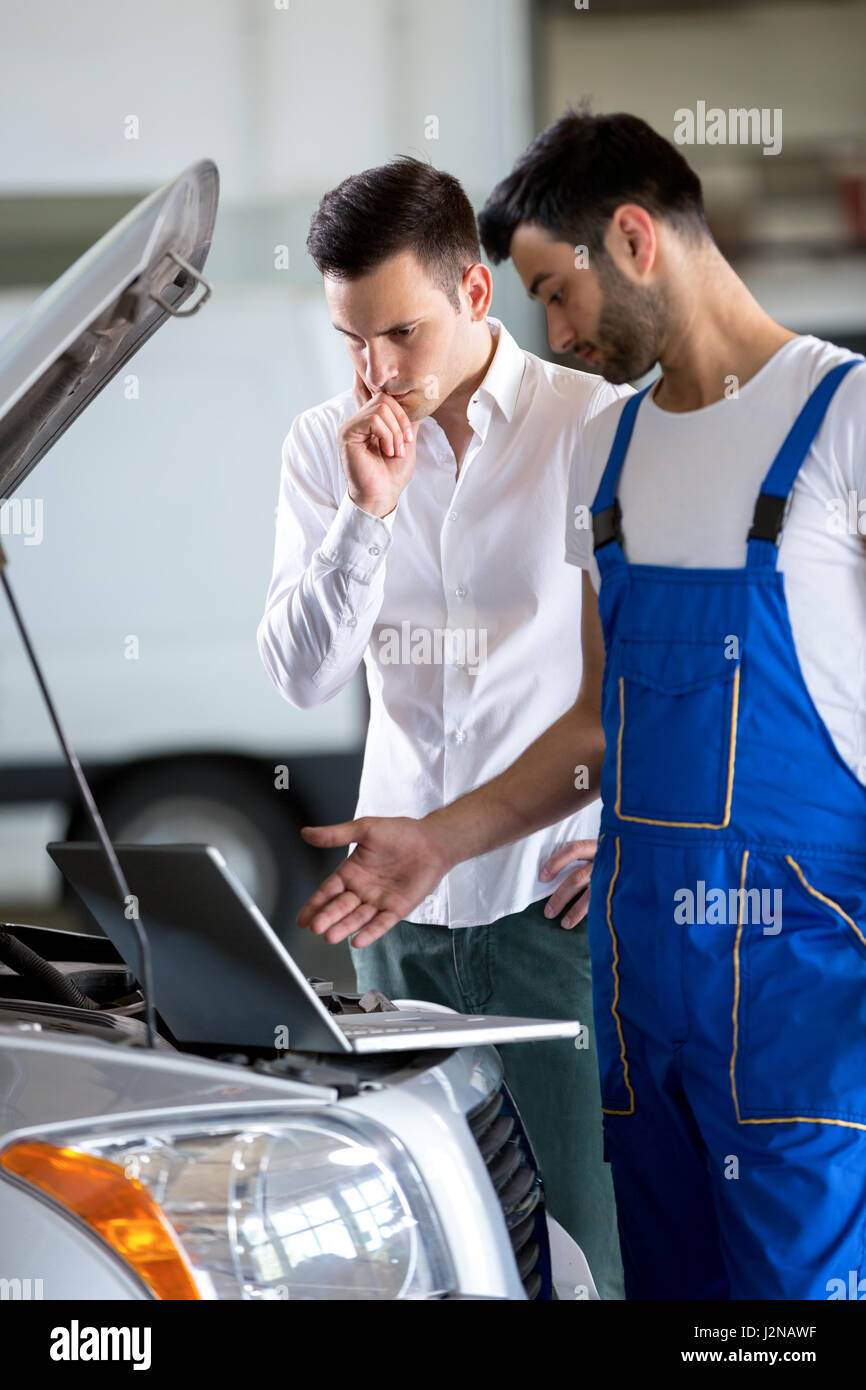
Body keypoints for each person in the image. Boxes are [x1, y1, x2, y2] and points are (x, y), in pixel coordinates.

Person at [296, 113, 866, 1301]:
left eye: (555, 293)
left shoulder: (837, 419)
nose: (551, 332)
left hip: (802, 985)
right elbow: (601, 725)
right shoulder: (622, 459)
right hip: (637, 978)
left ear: (632, 237)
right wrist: (434, 843)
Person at [257, 156, 629, 1299]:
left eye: (399, 335)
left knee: (584, 1255)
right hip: (399, 917)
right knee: (424, 1255)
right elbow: (301, 679)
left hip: (553, 914)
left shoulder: (596, 427)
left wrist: (626, 829)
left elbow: (639, 684)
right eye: (351, 340)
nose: (374, 372)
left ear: (475, 295)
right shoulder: (328, 446)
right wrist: (364, 520)